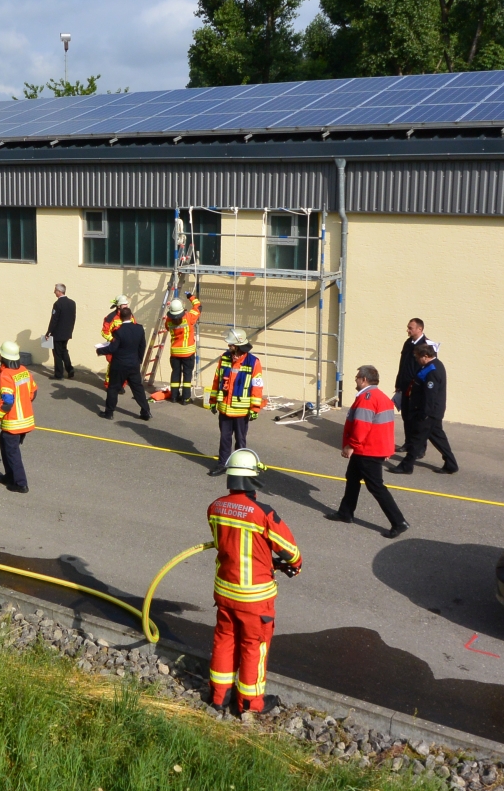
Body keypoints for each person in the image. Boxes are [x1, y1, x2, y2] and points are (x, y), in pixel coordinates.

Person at [206, 448, 301, 715]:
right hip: (254, 599)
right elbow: (290, 552)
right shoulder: (263, 513)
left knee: (224, 639)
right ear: (253, 479)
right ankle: (249, 704)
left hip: (224, 590)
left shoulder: (215, 507)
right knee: (253, 647)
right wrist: (293, 566)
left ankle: (218, 696)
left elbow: (227, 545)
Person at [326, 364, 409, 537]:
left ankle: (398, 522)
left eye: (357, 377)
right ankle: (345, 513)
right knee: (353, 478)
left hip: (367, 450)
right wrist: (386, 450)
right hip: (372, 449)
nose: (355, 380)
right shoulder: (382, 397)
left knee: (376, 487)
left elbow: (361, 427)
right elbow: (386, 427)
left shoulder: (367, 398)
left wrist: (351, 445)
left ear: (364, 380)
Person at [391, 346, 458, 475]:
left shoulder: (433, 370)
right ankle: (451, 464)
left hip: (429, 412)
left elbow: (430, 395)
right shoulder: (432, 365)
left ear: (425, 356)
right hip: (432, 412)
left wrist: (424, 414)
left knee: (417, 439)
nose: (416, 359)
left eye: (417, 357)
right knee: (439, 438)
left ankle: (406, 466)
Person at [208, 329, 264, 474]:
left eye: (231, 344)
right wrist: (213, 400)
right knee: (224, 438)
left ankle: (240, 466)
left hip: (241, 410)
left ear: (238, 345)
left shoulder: (253, 362)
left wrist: (255, 408)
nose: (229, 346)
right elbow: (217, 380)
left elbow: (257, 387)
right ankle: (223, 464)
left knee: (240, 440)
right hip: (225, 408)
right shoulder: (224, 358)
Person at [0, 340, 38, 494]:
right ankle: (9, 476)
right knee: (5, 445)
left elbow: (7, 402)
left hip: (13, 422)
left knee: (12, 452)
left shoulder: (6, 375)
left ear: (4, 357)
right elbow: (33, 392)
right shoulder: (24, 371)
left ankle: (20, 483)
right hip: (25, 420)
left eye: (0, 355)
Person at [96, 306, 150, 421]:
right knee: (138, 388)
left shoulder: (118, 331)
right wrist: (139, 360)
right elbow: (142, 346)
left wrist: (100, 350)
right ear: (131, 316)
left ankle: (109, 412)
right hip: (133, 364)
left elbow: (113, 348)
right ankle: (146, 411)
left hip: (119, 365)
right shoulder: (139, 329)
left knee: (113, 388)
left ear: (120, 318)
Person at [394, 318, 436, 450]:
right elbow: (403, 365)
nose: (408, 330)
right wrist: (398, 383)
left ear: (420, 329)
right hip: (405, 386)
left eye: (410, 328)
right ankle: (409, 443)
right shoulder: (408, 343)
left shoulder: (427, 345)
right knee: (406, 416)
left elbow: (430, 368)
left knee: (417, 418)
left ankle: (419, 447)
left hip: (417, 388)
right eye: (408, 327)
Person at [165, 291, 201, 403]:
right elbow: (198, 306)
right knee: (187, 374)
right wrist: (191, 297)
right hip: (188, 352)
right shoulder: (189, 317)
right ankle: (186, 398)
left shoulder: (168, 321)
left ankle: (174, 397)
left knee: (175, 373)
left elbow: (167, 327)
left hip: (175, 352)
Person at [45, 283, 76, 380]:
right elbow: (73, 318)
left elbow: (54, 319)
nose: (54, 292)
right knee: (64, 351)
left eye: (55, 290)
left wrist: (48, 332)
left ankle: (59, 374)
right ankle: (70, 369)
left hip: (58, 333)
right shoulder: (72, 303)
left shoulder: (58, 304)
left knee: (57, 354)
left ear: (59, 291)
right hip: (67, 333)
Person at [100, 295, 128, 388]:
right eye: (124, 305)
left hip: (125, 346)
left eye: (127, 304)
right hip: (115, 346)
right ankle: (109, 385)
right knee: (113, 366)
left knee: (124, 366)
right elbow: (104, 332)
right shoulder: (111, 317)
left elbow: (133, 327)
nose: (126, 306)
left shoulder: (129, 315)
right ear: (119, 306)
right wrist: (113, 340)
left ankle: (121, 385)